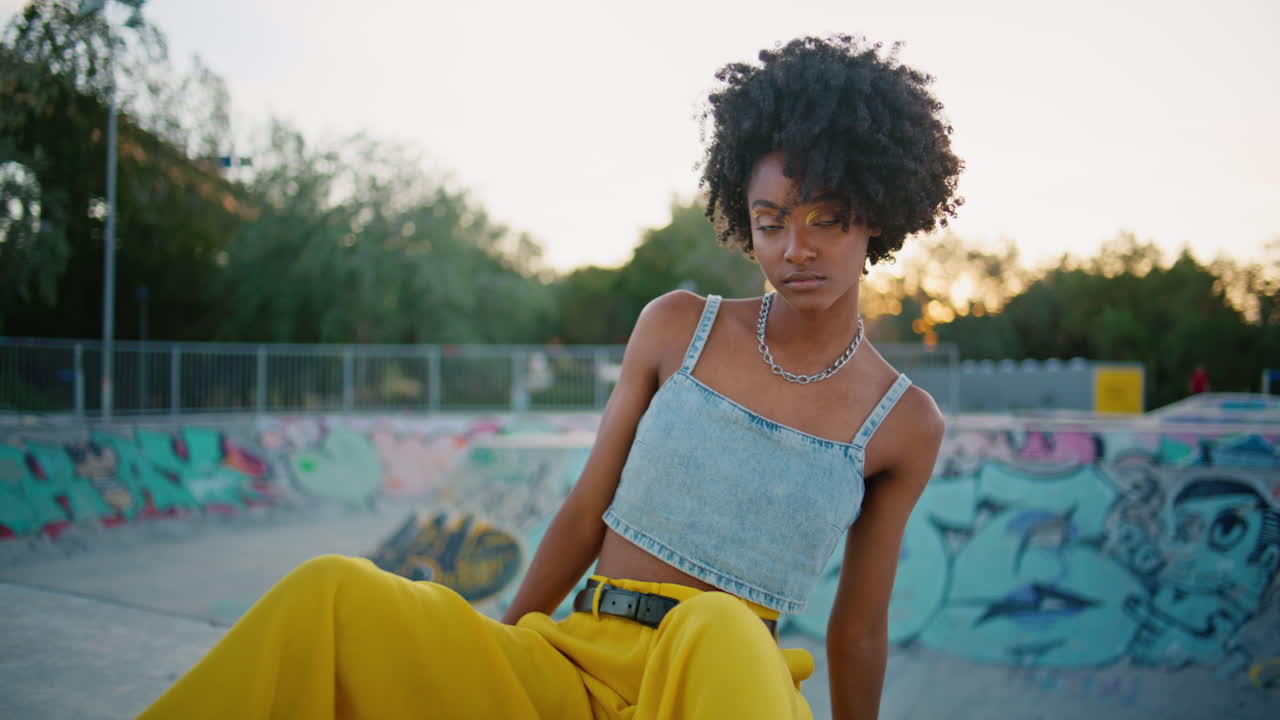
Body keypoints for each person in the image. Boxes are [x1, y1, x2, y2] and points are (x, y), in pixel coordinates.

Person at [139, 35, 962, 720]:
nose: (795, 249)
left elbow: (858, 629)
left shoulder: (901, 422)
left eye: (825, 219)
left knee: (719, 624)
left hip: (720, 686)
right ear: (744, 222)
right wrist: (503, 649)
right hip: (574, 660)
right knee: (332, 594)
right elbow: (582, 512)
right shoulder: (678, 326)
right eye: (770, 221)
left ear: (876, 217)